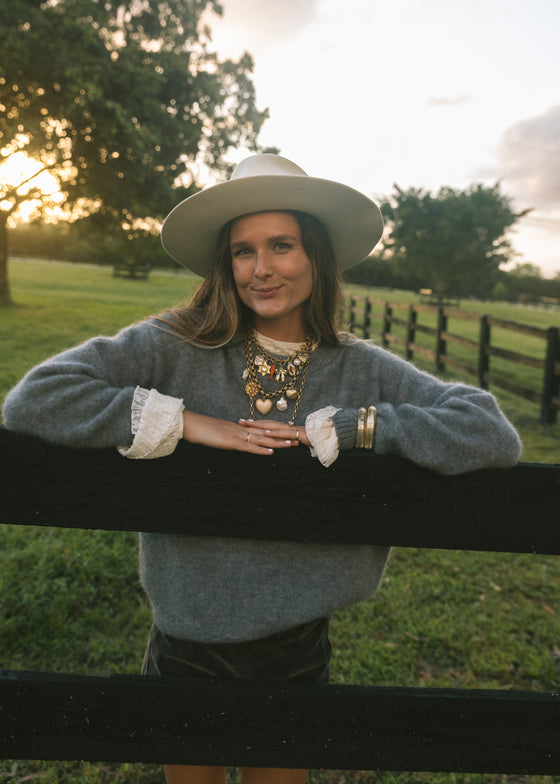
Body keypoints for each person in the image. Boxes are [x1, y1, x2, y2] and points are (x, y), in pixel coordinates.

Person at [2, 153, 521, 784]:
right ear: (226, 264)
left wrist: (364, 427)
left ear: (316, 256)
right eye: (244, 251)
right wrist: (189, 421)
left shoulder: (360, 365)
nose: (262, 269)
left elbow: (487, 429)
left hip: (296, 640)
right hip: (188, 634)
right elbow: (38, 397)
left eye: (282, 245)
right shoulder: (175, 344)